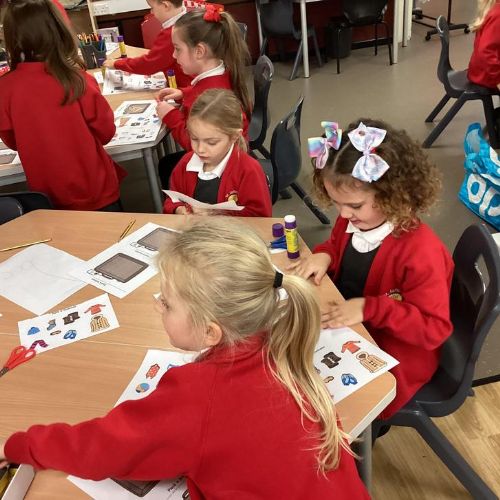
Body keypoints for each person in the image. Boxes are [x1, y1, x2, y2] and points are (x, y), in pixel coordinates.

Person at [0, 218, 369, 499]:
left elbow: (102, 449)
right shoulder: (280, 340)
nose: (158, 307)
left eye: (166, 303)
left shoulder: (199, 394)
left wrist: (18, 445)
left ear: (210, 333)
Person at [289, 119, 454, 419]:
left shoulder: (421, 252)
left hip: (394, 355)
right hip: (351, 328)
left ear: (394, 195)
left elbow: (433, 329)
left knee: (318, 409)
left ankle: (361, 438)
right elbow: (337, 245)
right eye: (336, 203)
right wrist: (325, 255)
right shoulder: (354, 220)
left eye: (354, 206)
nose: (343, 214)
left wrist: (370, 308)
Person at [0, 0, 125, 211]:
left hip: (47, 196)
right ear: (59, 30)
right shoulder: (78, 80)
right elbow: (106, 132)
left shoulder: (5, 87)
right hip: (96, 189)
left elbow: (12, 141)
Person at [155, 7, 251, 187]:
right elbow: (203, 89)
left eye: (177, 49)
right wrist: (184, 93)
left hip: (221, 174)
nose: (174, 55)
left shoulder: (211, 94)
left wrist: (170, 116)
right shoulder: (220, 72)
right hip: (223, 158)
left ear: (199, 51)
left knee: (167, 167)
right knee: (166, 165)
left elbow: (196, 144)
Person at [163, 88, 271, 217]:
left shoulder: (248, 170)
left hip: (233, 230)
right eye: (194, 139)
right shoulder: (186, 163)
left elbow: (261, 217)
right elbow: (171, 200)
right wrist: (178, 209)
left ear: (234, 137)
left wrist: (216, 214)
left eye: (211, 142)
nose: (200, 149)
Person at [102, 0, 190, 87]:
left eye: (152, 8)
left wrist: (117, 64)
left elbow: (149, 64)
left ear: (165, 6)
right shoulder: (188, 21)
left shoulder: (171, 33)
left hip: (184, 88)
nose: (151, 12)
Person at [467, 0, 500, 90]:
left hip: (482, 70)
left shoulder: (494, 5)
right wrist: (498, 79)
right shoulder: (498, 14)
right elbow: (485, 51)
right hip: (487, 76)